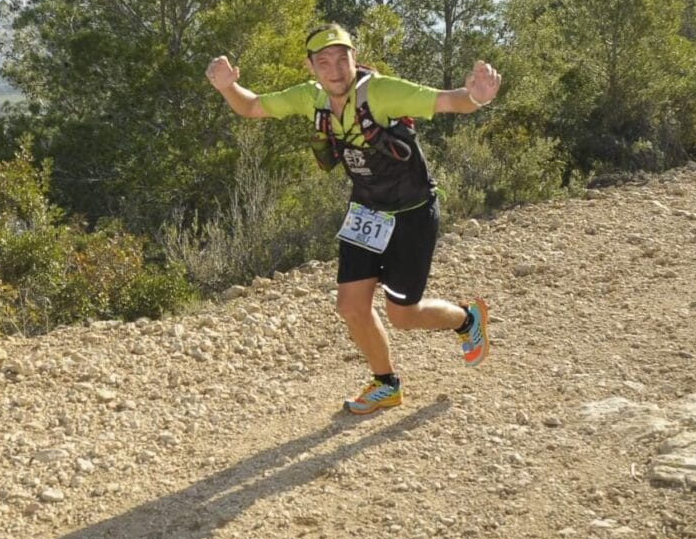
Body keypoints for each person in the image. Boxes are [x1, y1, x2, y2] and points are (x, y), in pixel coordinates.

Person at [205, 23, 500, 414]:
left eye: (341, 57)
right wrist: (226, 86)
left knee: (403, 316)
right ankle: (386, 383)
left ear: (353, 58)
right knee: (351, 306)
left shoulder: (380, 92)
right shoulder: (311, 98)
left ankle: (466, 320)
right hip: (365, 212)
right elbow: (251, 106)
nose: (334, 68)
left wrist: (476, 98)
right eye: (323, 61)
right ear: (312, 67)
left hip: (411, 214)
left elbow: (447, 101)